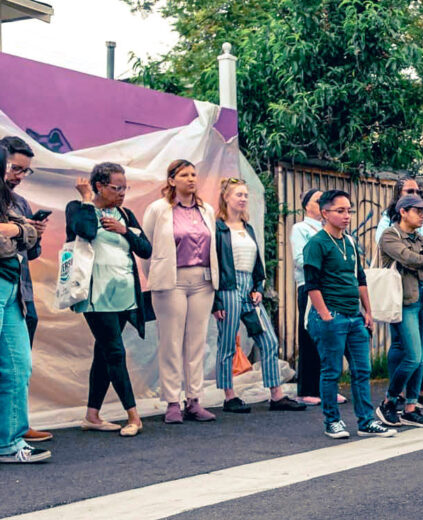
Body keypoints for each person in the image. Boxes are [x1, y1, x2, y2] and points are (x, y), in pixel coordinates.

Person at [66, 164, 152, 437]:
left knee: (104, 353)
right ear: (99, 186)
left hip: (125, 296)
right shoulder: (78, 208)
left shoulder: (125, 214)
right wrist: (84, 200)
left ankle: (92, 415)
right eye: (117, 188)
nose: (122, 193)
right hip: (96, 297)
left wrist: (124, 230)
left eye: (125, 187)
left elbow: (146, 249)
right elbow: (85, 231)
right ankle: (133, 416)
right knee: (115, 352)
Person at [304, 189, 395, 439]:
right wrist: (325, 316)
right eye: (340, 211)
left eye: (349, 211)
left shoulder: (351, 242)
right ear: (325, 213)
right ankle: (332, 421)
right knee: (332, 371)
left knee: (362, 370)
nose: (347, 216)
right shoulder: (316, 243)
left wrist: (368, 311)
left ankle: (366, 421)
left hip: (354, 316)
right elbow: (311, 284)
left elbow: (360, 278)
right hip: (331, 316)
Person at [213, 179, 305, 413]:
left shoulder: (248, 228)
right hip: (228, 288)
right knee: (227, 344)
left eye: (245, 195)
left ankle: (276, 395)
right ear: (226, 197)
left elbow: (257, 262)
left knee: (269, 340)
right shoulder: (218, 228)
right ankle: (229, 396)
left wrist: (258, 287)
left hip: (249, 289)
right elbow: (212, 264)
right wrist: (216, 300)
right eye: (238, 195)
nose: (243, 199)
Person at [141, 159, 219, 424]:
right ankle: (173, 401)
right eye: (184, 175)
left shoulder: (206, 209)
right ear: (172, 180)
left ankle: (194, 399)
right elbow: (145, 249)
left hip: (203, 281)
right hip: (171, 280)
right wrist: (156, 276)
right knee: (171, 342)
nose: (191, 179)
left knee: (197, 342)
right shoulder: (158, 209)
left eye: (194, 174)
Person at [375, 177, 423, 412]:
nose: (422, 214)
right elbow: (407, 258)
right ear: (403, 211)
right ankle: (390, 400)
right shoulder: (389, 234)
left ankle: (410, 407)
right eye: (417, 211)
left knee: (420, 355)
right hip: (405, 300)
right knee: (413, 356)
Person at [1, 136, 52, 444]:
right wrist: (22, 231)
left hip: (21, 292)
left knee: (19, 366)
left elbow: (31, 250)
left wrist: (32, 232)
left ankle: (16, 424)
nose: (19, 176)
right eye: (16, 169)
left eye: (25, 171)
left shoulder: (20, 202)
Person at [291, 188, 344, 406]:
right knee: (310, 336)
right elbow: (299, 258)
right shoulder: (301, 228)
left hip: (331, 288)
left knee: (331, 336)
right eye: (317, 200)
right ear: (306, 206)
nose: (321, 203)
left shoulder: (331, 229)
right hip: (310, 285)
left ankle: (328, 388)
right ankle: (306, 389)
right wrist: (327, 265)